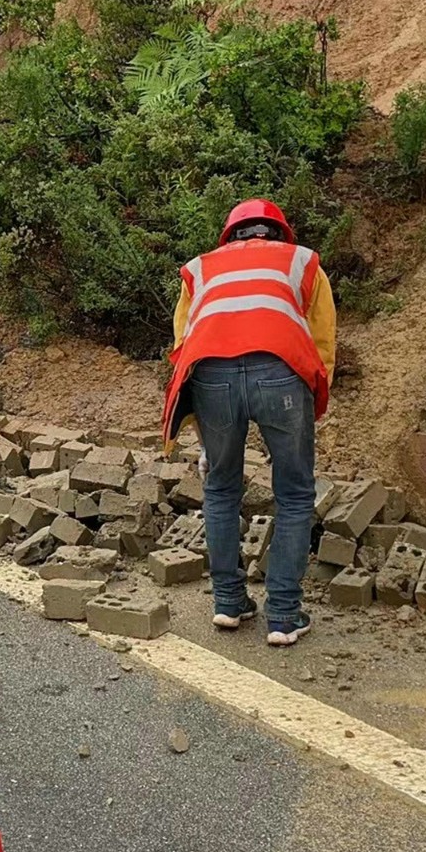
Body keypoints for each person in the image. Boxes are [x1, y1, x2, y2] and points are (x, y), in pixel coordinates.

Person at [162, 198, 337, 648]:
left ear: (229, 235)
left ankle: (228, 602)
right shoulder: (303, 262)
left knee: (221, 488)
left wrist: (203, 439)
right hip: (281, 373)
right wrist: (311, 402)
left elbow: (185, 346)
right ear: (279, 233)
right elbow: (321, 343)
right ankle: (283, 614)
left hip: (211, 377)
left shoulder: (199, 269)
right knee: (295, 493)